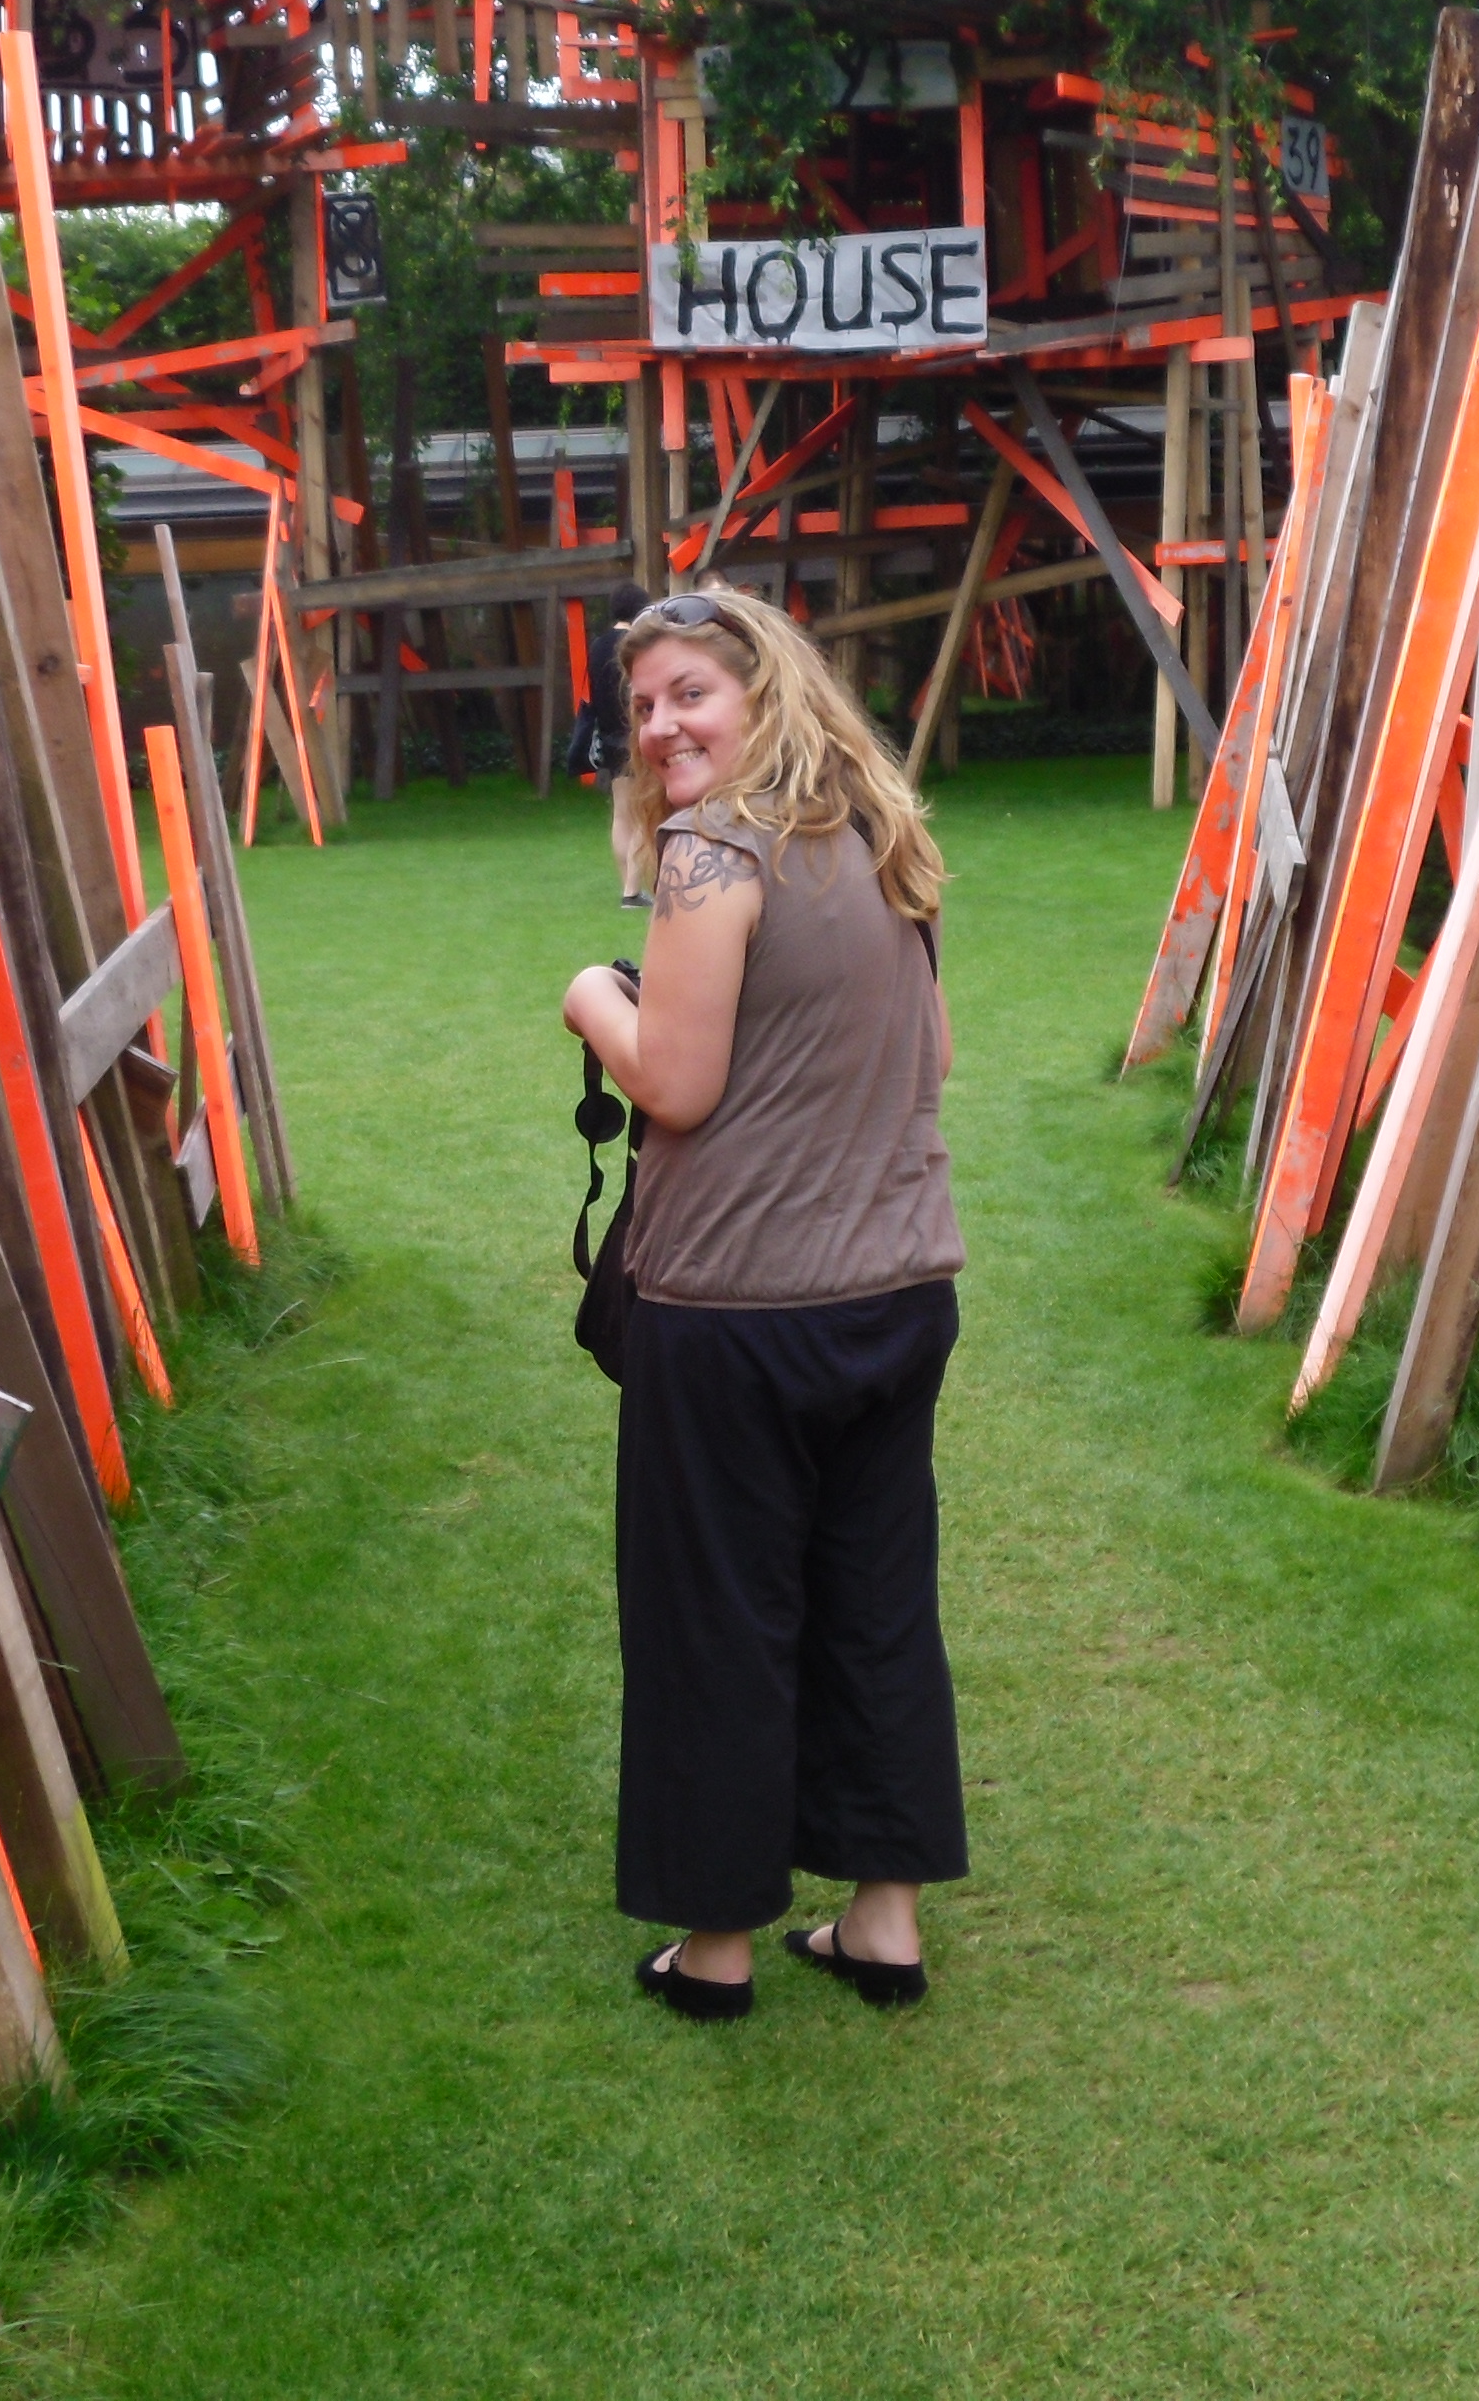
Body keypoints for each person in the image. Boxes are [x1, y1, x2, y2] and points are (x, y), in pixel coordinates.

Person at [560, 585, 967, 2022]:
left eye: (690, 694)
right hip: (899, 1297)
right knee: (875, 1607)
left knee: (714, 1621)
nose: (660, 727)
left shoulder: (710, 851)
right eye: (643, 705)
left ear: (764, 691)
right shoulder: (880, 839)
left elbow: (672, 1084)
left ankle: (718, 1947)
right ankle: (883, 1923)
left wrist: (591, 997)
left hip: (735, 1315)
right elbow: (934, 1050)